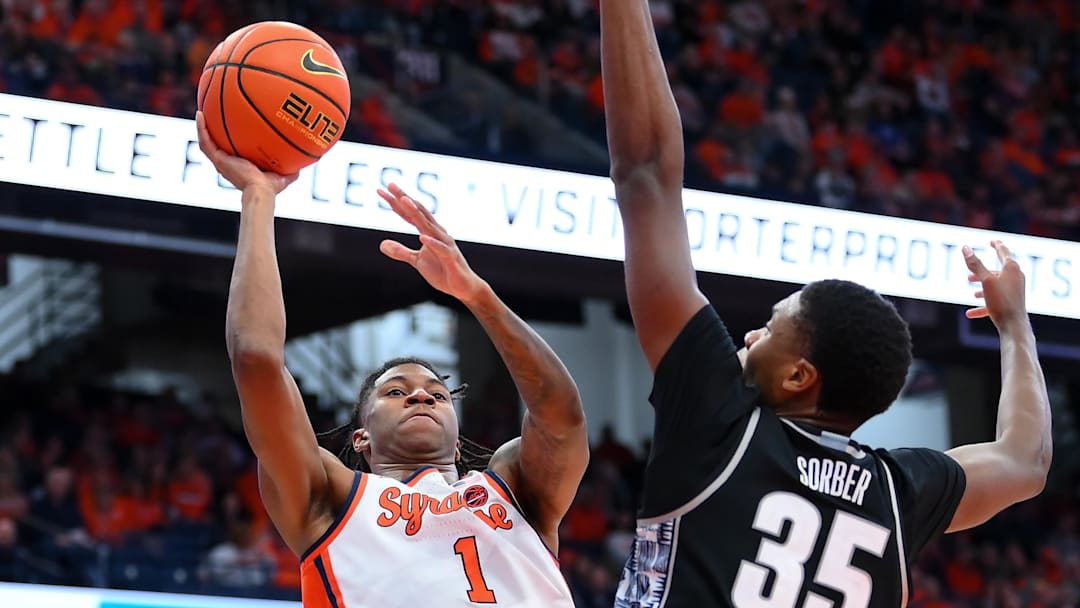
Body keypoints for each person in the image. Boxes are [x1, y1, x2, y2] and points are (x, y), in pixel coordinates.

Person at [597, 2, 1053, 606]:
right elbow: (1025, 460)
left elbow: (647, 173)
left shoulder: (718, 421)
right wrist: (1016, 326)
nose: (752, 336)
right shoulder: (895, 492)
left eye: (771, 327)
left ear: (798, 375)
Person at [196, 112, 589, 607]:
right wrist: (258, 196)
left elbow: (562, 417)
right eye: (396, 392)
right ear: (360, 435)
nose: (422, 393)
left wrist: (478, 296)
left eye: (438, 393)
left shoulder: (514, 487)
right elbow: (256, 360)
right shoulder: (329, 497)